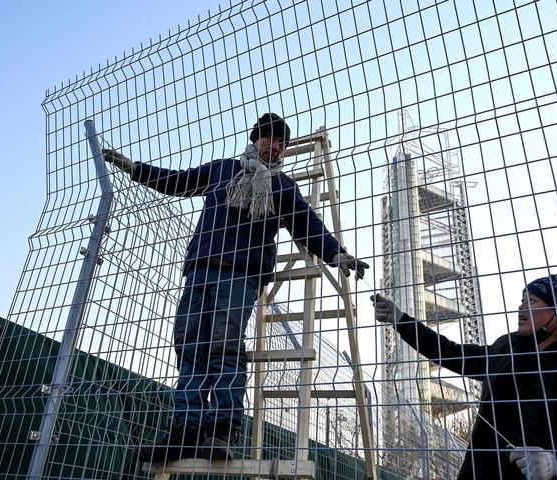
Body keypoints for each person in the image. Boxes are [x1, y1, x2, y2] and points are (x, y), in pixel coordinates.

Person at [104, 113, 368, 462]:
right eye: (269, 139)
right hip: (200, 269)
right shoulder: (222, 170)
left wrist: (337, 253)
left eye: (281, 143)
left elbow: (307, 223)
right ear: (255, 139)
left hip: (240, 274)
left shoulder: (282, 186)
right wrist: (134, 168)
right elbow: (177, 181)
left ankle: (223, 430)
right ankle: (186, 429)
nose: (275, 147)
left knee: (224, 346)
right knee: (188, 346)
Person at [373, 271, 557, 480]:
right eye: (522, 300)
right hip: (481, 476)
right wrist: (401, 321)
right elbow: (452, 353)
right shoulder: (506, 347)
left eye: (532, 301)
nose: (521, 307)